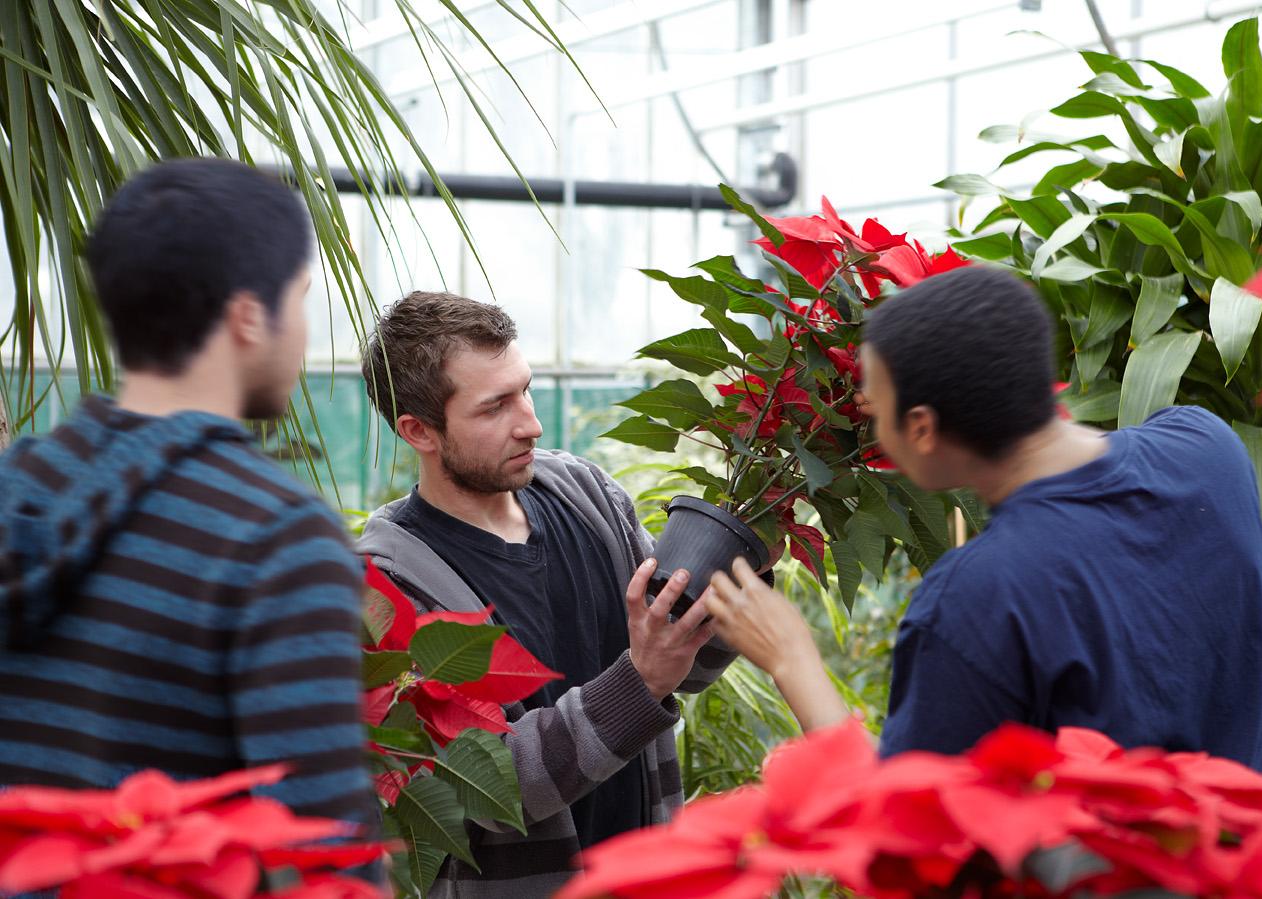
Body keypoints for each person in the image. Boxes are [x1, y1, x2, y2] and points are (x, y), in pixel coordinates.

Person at [705, 265, 1262, 773]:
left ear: (923, 429)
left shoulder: (977, 597)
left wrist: (790, 658)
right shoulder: (1207, 448)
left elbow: (914, 841)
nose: (870, 420)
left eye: (877, 410)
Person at [0, 159, 379, 832]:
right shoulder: (277, 536)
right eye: (300, 297)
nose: (305, 331)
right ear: (247, 318)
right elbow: (321, 856)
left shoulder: (18, 484)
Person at [357, 291, 761, 897]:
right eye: (495, 407)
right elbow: (489, 791)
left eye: (526, 389)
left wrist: (740, 564)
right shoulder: (386, 587)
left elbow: (686, 669)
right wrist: (640, 680)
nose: (530, 423)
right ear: (419, 431)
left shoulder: (589, 497)